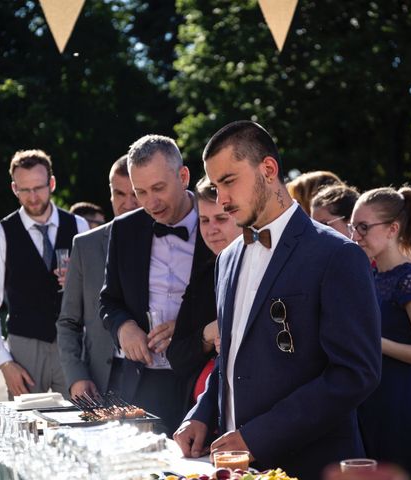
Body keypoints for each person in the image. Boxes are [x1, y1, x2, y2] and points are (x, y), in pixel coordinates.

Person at [173, 120, 382, 480]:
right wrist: (202, 414)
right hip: (233, 467)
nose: (221, 199)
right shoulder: (227, 258)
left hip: (312, 465)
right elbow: (231, 356)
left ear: (268, 170)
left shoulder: (336, 255)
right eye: (215, 185)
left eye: (228, 182)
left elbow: (354, 374)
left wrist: (257, 437)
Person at [99, 134, 216, 436]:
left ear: (183, 176)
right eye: (141, 192)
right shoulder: (125, 230)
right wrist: (124, 327)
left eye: (159, 189)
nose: (150, 202)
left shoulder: (217, 224)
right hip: (142, 382)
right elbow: (109, 301)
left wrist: (187, 325)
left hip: (201, 379)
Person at [350, 186, 411, 480]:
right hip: (372, 403)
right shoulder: (370, 275)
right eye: (353, 227)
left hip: (402, 406)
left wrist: (375, 344)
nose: (355, 235)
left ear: (393, 229)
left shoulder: (410, 279)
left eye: (364, 227)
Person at [0, 149, 89, 398]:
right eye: (24, 190)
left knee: (76, 427)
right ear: (14, 188)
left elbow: (94, 293)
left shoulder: (78, 226)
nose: (33, 197)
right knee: (26, 429)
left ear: (52, 183)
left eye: (38, 187)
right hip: (23, 348)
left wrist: (77, 283)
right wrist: (5, 362)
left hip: (70, 344)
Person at [57, 155, 139, 399]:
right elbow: (68, 322)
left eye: (135, 193)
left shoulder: (170, 242)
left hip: (157, 378)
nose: (128, 203)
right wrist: (77, 376)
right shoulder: (86, 246)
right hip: (101, 379)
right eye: (119, 194)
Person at [184, 175, 242, 402]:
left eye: (220, 218)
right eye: (204, 220)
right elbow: (178, 354)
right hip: (204, 409)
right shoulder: (205, 273)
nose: (211, 229)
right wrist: (209, 333)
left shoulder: (264, 264)